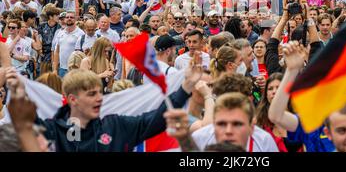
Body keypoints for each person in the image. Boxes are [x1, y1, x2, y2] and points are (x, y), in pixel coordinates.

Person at [5, 51, 203, 152]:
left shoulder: (115, 125)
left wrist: (185, 88)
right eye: (91, 94)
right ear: (72, 99)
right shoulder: (50, 130)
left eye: (100, 93)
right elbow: (21, 127)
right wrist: (17, 92)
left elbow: (156, 118)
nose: (99, 98)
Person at [52, 11, 85, 77]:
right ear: (65, 19)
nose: (69, 18)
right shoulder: (60, 33)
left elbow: (83, 53)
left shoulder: (81, 34)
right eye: (67, 17)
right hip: (62, 69)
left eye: (71, 17)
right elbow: (57, 52)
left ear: (75, 19)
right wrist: (55, 69)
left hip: (75, 69)